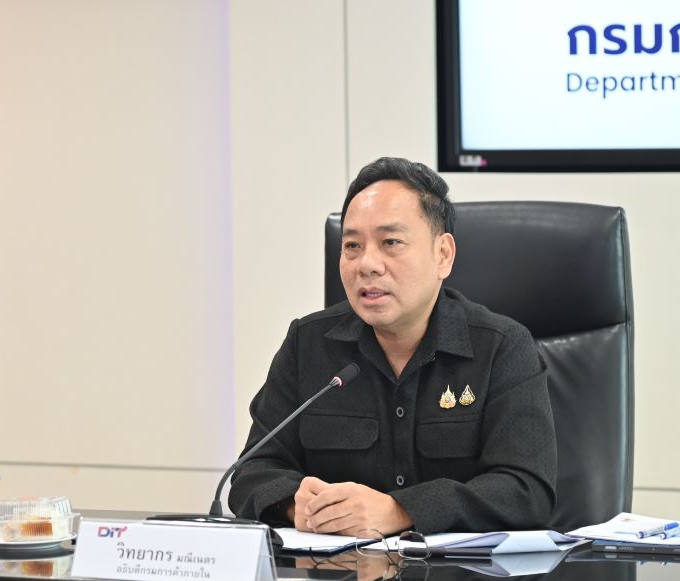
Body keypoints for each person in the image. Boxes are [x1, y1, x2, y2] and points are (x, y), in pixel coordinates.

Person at [229, 157, 556, 536]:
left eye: (391, 243)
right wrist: (294, 505)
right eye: (352, 245)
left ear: (443, 255)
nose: (367, 264)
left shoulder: (501, 347)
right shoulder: (308, 344)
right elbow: (251, 473)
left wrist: (400, 511)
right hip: (336, 571)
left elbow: (526, 490)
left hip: (458, 574)